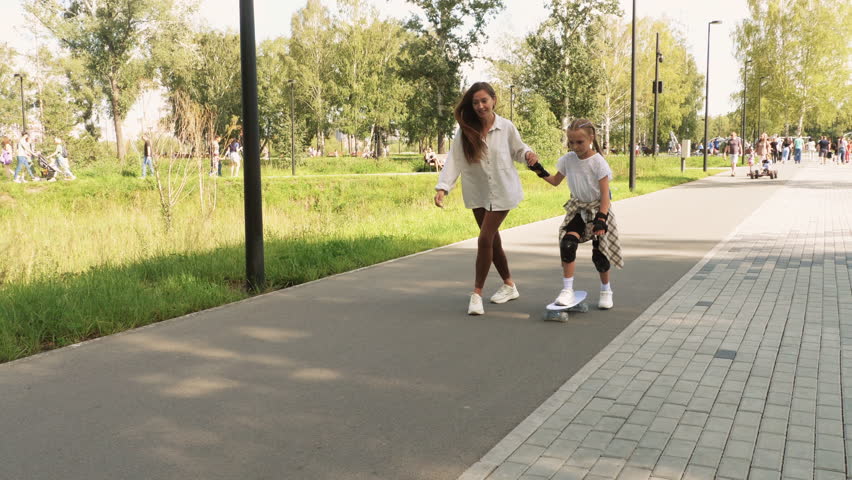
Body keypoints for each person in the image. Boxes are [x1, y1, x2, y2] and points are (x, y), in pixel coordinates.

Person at [433, 82, 539, 315]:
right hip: (478, 192)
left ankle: (477, 294)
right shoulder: (465, 131)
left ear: (494, 100)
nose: (480, 106)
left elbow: (519, 150)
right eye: (475, 102)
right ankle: (509, 285)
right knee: (493, 240)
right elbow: (454, 161)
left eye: (484, 100)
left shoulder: (506, 127)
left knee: (484, 239)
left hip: (503, 190)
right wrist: (443, 188)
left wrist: (528, 154)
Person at [533, 119, 623, 310]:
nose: (575, 146)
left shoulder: (598, 162)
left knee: (600, 254)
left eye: (579, 142)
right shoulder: (568, 159)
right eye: (571, 142)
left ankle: (606, 290)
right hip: (578, 208)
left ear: (591, 138)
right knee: (568, 243)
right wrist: (538, 169)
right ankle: (567, 290)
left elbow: (605, 194)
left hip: (598, 209)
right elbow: (555, 181)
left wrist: (601, 218)